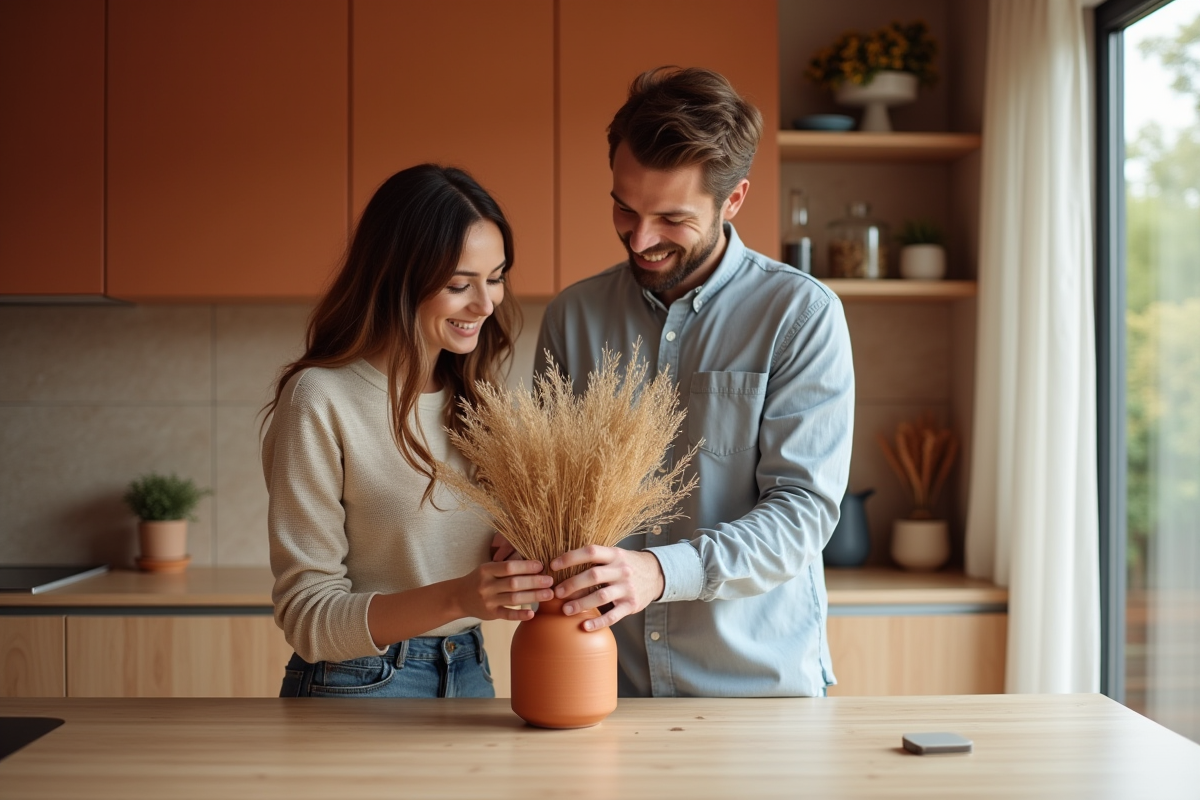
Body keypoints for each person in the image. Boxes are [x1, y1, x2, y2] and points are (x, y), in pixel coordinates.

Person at [534, 67, 855, 697]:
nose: (642, 238)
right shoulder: (572, 318)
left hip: (759, 698)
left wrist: (658, 571)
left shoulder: (800, 315)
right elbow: (552, 496)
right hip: (607, 688)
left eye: (672, 219)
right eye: (625, 208)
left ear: (733, 200)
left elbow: (801, 515)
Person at [262, 164, 555, 698]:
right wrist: (459, 597)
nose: (485, 305)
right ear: (397, 277)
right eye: (458, 285)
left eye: (496, 278)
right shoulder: (321, 398)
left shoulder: (481, 404)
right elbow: (307, 616)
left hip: (470, 669)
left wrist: (518, 550)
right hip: (355, 681)